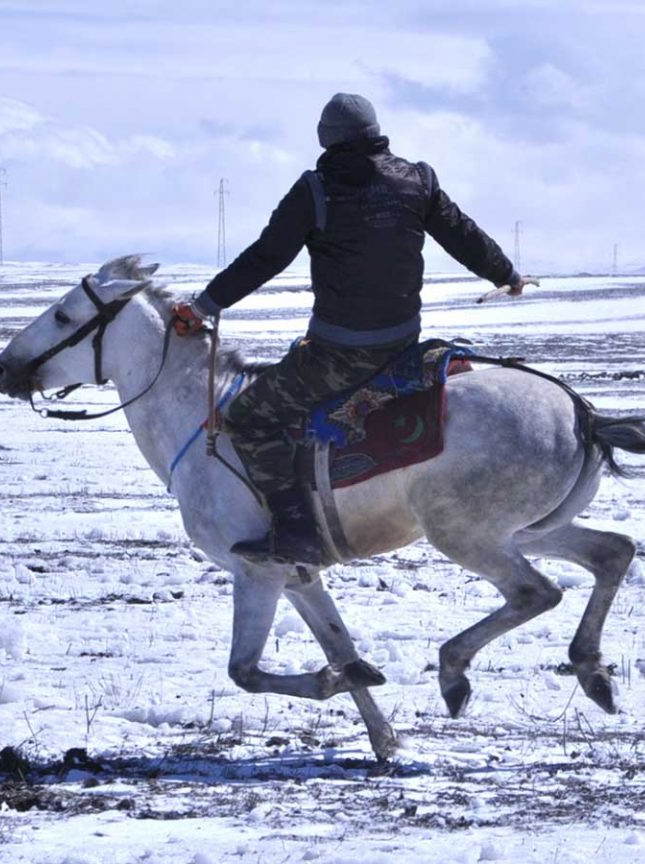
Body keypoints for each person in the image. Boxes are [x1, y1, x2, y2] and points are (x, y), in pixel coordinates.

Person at [171, 93, 532, 565]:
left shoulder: (315, 190)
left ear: (326, 139)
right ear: (375, 132)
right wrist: (506, 274)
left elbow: (264, 258)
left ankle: (295, 529)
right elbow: (463, 235)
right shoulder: (418, 180)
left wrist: (203, 307)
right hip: (402, 342)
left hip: (338, 353)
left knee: (249, 417)